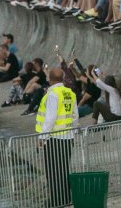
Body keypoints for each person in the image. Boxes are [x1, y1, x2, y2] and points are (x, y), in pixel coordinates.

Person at [36, 67, 79, 208]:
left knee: (53, 171)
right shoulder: (70, 93)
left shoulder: (53, 94)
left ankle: (56, 200)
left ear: (50, 79)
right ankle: (66, 198)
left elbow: (50, 118)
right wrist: (74, 132)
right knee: (63, 168)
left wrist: (42, 137)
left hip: (54, 138)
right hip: (68, 137)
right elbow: (75, 116)